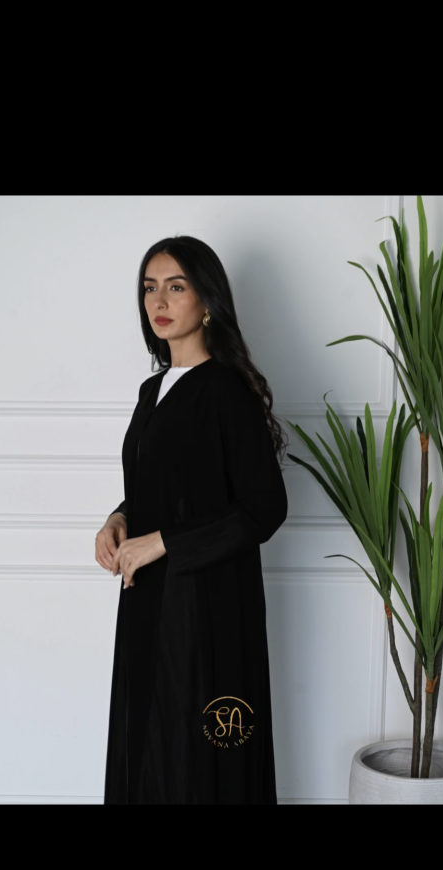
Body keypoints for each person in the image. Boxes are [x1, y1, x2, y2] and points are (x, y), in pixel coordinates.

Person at [95, 236, 288, 805]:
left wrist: (163, 543)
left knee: (196, 755)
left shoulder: (227, 391)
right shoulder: (152, 390)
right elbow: (159, 486)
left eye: (176, 287)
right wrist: (118, 519)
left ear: (207, 301)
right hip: (147, 601)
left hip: (207, 609)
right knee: (147, 743)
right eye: (150, 288)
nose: (159, 301)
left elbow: (264, 507)